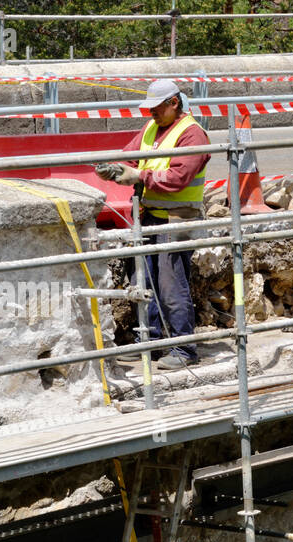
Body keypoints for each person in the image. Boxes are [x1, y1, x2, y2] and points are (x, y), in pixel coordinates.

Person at [98, 79, 209, 370]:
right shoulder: (151, 128)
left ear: (174, 103)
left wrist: (139, 177)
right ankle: (149, 340)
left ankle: (184, 348)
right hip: (149, 216)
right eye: (150, 110)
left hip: (178, 218)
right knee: (142, 280)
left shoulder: (192, 135)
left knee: (171, 284)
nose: (152, 114)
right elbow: (132, 156)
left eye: (157, 109)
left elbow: (178, 178)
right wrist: (116, 167)